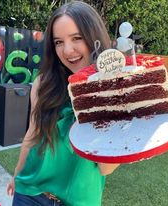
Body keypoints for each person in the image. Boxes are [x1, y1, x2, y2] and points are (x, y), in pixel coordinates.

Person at [7, 1, 120, 205]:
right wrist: (16, 174)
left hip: (78, 200)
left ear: (94, 37)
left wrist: (99, 102)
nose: (67, 51)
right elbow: (32, 133)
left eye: (77, 38)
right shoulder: (44, 83)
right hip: (30, 194)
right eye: (58, 42)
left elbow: (106, 168)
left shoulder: (116, 90)